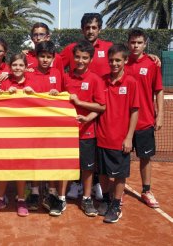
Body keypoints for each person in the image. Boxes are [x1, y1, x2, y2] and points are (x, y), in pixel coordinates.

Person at [59, 40, 106, 217]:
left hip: (87, 131)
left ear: (91, 59)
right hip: (66, 132)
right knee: (64, 164)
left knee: (87, 168)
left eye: (84, 58)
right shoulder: (65, 77)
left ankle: (87, 199)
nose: (80, 61)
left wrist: (83, 110)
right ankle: (61, 198)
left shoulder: (95, 80)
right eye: (77, 57)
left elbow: (101, 106)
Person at [96, 44, 139, 223]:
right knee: (104, 173)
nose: (114, 63)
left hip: (120, 139)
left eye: (118, 60)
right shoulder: (102, 80)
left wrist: (129, 137)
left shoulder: (131, 82)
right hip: (101, 137)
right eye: (111, 60)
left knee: (120, 174)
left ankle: (116, 204)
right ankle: (106, 199)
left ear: (125, 61)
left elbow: (134, 111)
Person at [0, 54, 35, 217]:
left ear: (26, 67)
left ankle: (21, 200)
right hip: (6, 132)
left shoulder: (32, 82)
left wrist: (32, 93)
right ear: (9, 66)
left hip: (25, 133)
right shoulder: (4, 81)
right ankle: (0, 199)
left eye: (20, 65)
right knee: (4, 165)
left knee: (21, 167)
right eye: (14, 65)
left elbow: (40, 102)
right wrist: (3, 92)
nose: (17, 68)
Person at [125, 28, 164, 208]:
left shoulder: (152, 63)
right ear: (128, 43)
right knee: (122, 156)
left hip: (146, 120)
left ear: (145, 44)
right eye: (133, 42)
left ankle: (146, 190)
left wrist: (160, 114)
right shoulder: (122, 63)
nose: (135, 46)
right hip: (124, 123)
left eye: (139, 42)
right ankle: (118, 191)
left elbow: (158, 90)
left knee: (145, 158)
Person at [25, 41, 63, 212]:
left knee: (51, 160)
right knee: (34, 160)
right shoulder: (29, 74)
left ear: (53, 58)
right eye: (42, 56)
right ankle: (34, 192)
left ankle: (52, 192)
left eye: (49, 57)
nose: (45, 60)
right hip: (32, 126)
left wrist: (58, 94)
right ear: (36, 57)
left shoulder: (57, 73)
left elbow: (63, 97)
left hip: (52, 127)